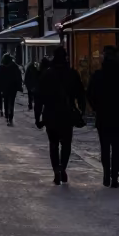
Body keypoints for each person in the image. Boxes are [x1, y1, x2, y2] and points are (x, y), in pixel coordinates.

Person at [86, 46, 119, 188]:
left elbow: (89, 94)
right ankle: (114, 177)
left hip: (103, 115)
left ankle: (106, 175)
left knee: (104, 147)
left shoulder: (97, 75)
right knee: (116, 147)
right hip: (118, 116)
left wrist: (97, 107)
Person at [34, 47, 86, 184]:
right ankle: (63, 167)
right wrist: (82, 111)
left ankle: (56, 169)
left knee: (53, 144)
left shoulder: (46, 74)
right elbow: (80, 94)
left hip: (50, 114)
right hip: (67, 114)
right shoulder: (72, 74)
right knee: (66, 144)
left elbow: (38, 97)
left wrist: (37, 116)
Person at [0, 53, 23, 125]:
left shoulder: (1, 68)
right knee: (11, 102)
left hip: (4, 88)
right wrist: (19, 86)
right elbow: (19, 77)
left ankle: (7, 115)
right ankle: (10, 117)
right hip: (13, 88)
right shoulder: (15, 67)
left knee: (6, 101)